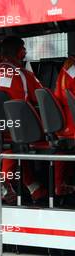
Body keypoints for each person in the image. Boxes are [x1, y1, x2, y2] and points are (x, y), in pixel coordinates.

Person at [0, 36, 47, 203]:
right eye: (24, 49)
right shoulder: (23, 74)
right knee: (53, 139)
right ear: (20, 52)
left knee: (18, 148)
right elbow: (43, 97)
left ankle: (36, 190)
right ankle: (2, 183)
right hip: (19, 130)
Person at [54, 55, 75, 196]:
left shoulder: (67, 68)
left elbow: (57, 94)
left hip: (63, 125)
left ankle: (60, 185)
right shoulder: (72, 69)